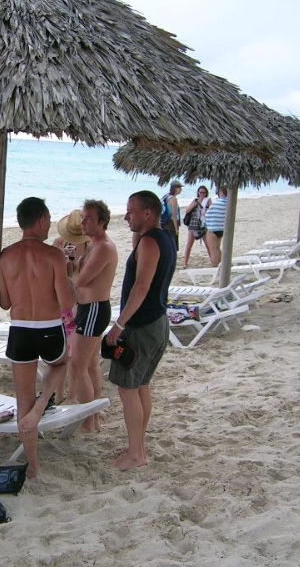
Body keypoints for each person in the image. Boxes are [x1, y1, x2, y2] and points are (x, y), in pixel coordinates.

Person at [0, 197, 76, 478]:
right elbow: (66, 302)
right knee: (61, 363)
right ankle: (43, 404)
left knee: (23, 400)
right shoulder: (53, 255)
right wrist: (70, 277)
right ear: (41, 220)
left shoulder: (5, 255)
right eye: (49, 220)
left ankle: (32, 466)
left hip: (20, 329)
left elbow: (5, 302)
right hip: (49, 327)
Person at [106, 190, 177, 471]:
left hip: (142, 325)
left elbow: (142, 286)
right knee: (141, 386)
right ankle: (138, 446)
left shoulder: (149, 242)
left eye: (130, 211)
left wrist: (119, 324)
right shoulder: (165, 238)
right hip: (157, 320)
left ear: (147, 213)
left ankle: (136, 454)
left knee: (128, 389)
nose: (126, 217)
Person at [68, 199, 118, 432]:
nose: (83, 222)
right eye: (83, 217)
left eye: (88, 218)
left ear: (102, 222)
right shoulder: (92, 245)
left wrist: (66, 275)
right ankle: (93, 419)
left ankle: (88, 421)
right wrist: (71, 261)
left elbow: (81, 280)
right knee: (90, 366)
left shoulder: (104, 247)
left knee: (78, 366)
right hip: (89, 309)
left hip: (94, 309)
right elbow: (79, 274)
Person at [51, 209, 89, 403]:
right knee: (60, 353)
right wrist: (61, 257)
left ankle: (71, 395)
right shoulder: (59, 243)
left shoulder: (87, 248)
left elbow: (81, 278)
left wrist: (73, 264)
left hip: (77, 303)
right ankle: (58, 394)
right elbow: (52, 271)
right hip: (62, 302)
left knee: (74, 356)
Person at [181, 185, 212, 268]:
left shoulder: (208, 200)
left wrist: (205, 212)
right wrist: (194, 204)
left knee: (208, 245)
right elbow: (187, 210)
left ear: (206, 193)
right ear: (198, 192)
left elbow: (211, 209)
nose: (202, 194)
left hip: (203, 224)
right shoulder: (195, 200)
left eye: (204, 192)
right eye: (200, 192)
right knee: (189, 244)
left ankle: (213, 260)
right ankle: (185, 263)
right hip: (193, 224)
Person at [203, 187, 227, 267]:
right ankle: (222, 266)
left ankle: (215, 267)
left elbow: (207, 215)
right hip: (221, 228)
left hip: (212, 228)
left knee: (213, 251)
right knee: (217, 249)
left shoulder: (217, 202)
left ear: (221, 192)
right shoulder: (228, 202)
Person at [160, 180, 183, 250]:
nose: (181, 189)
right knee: (173, 246)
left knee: (167, 244)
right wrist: (176, 228)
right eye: (179, 188)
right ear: (175, 188)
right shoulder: (173, 199)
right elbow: (174, 215)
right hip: (171, 224)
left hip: (164, 222)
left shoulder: (166, 196)